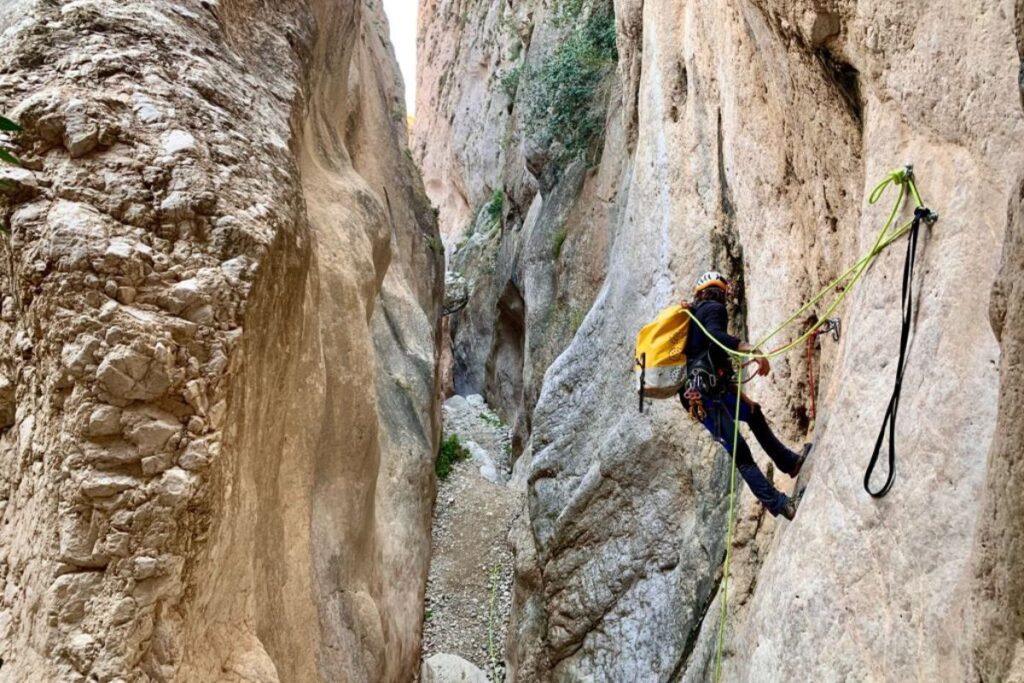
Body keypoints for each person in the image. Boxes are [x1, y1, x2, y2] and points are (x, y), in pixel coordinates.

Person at [680, 271, 809, 520]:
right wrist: (752, 349)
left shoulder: (695, 316)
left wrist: (742, 398)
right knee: (741, 452)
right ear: (720, 291)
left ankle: (790, 462)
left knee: (752, 412)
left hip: (700, 393)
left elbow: (712, 364)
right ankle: (781, 504)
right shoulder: (713, 308)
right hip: (705, 394)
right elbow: (717, 339)